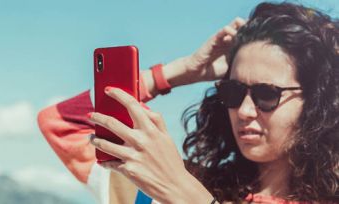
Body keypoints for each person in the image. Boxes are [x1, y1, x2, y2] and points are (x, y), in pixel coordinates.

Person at [38, 2, 339, 203]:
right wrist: (180, 71)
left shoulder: (176, 185)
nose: (244, 111)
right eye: (234, 92)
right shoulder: (163, 182)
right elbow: (61, 123)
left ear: (317, 102)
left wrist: (187, 196)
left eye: (266, 94)